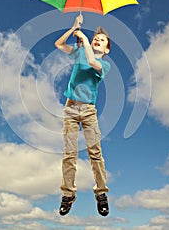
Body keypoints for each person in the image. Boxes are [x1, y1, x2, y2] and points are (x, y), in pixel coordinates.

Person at [54, 14, 111, 216]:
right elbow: (59, 44)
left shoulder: (104, 65)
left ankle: (101, 193)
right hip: (70, 109)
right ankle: (68, 194)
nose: (97, 39)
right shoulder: (79, 51)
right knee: (69, 154)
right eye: (96, 37)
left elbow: (90, 60)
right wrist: (73, 27)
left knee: (95, 153)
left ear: (106, 49)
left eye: (101, 39)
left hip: (88, 112)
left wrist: (85, 39)